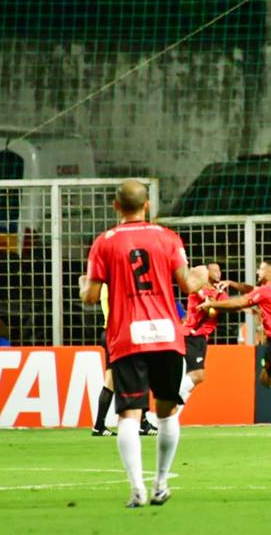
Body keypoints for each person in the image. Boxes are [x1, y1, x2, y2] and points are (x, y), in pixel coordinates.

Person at [79, 179, 209, 508]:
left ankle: (136, 487)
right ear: (147, 205)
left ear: (116, 206)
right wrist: (203, 273)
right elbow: (189, 284)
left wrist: (85, 284)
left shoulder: (104, 242)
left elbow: (91, 296)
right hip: (166, 334)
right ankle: (161, 483)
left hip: (127, 336)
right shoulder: (167, 238)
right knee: (167, 412)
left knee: (129, 415)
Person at [201, 260, 271, 427]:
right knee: (265, 379)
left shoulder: (265, 291)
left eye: (261, 269)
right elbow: (252, 291)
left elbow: (240, 302)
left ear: (270, 272)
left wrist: (212, 304)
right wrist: (232, 283)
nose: (258, 272)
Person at [91, 284, 159, 437]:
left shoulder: (106, 285)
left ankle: (99, 425)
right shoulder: (116, 284)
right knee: (140, 374)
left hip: (110, 332)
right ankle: (141, 423)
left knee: (110, 381)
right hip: (122, 333)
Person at [177, 262, 229, 406]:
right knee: (198, 375)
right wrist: (216, 300)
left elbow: (225, 308)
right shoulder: (197, 290)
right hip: (191, 335)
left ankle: (169, 416)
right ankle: (171, 398)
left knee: (194, 379)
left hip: (202, 338)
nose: (219, 273)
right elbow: (210, 310)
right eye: (215, 270)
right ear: (206, 273)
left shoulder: (221, 294)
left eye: (220, 270)